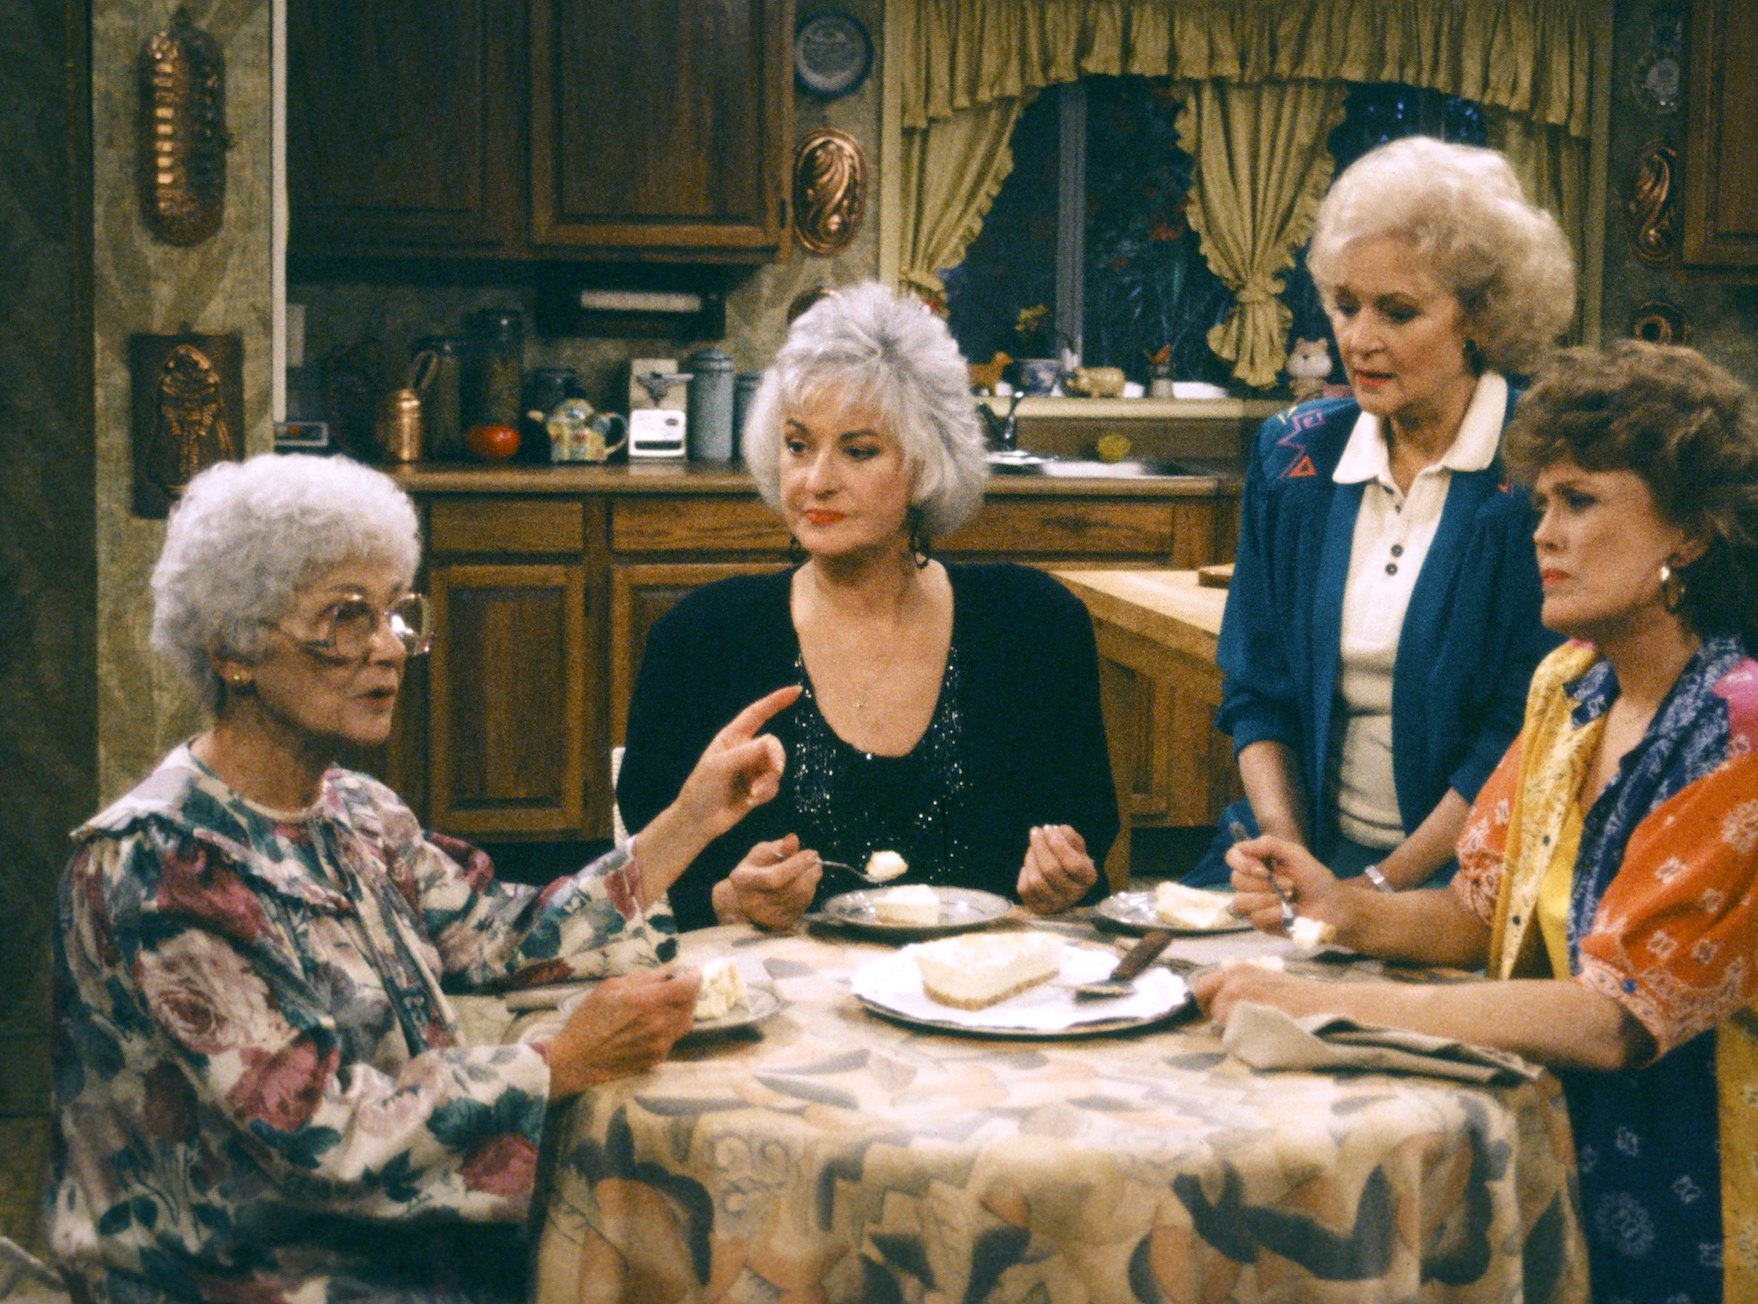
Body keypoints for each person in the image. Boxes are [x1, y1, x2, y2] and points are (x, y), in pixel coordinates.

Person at [1198, 343, 1758, 1302]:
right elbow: (1481, 911)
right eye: (1541, 504)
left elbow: (1615, 1019)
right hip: (1588, 1156)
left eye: (1580, 501)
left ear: (1692, 533)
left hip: (1730, 1202)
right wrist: (1345, 908)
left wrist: (1332, 1007)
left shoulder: (1750, 731)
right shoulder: (1574, 686)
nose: (1543, 535)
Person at [49, 454, 796, 1303]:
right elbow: (318, 1132)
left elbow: (504, 937)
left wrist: (693, 818)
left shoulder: (355, 811)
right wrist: (556, 1063)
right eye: (345, 619)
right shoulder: (157, 868)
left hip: (402, 1250)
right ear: (231, 648)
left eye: (396, 615)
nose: (387, 650)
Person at [617, 282, 1119, 932]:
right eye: (797, 445)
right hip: (773, 991)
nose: (816, 480)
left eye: (858, 451)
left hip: (989, 984)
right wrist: (727, 901)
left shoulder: (1033, 627)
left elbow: (1087, 844)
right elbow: (643, 891)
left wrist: (1062, 881)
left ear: (927, 463)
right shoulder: (701, 641)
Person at [1206, 136, 1575, 891]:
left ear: (1480, 318)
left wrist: (1372, 895)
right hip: (1308, 856)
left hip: (1468, 871)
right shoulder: (1293, 453)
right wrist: (1291, 860)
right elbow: (1257, 692)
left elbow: (1520, 732)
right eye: (1346, 306)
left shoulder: (1547, 469)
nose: (1359, 339)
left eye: (1397, 313)